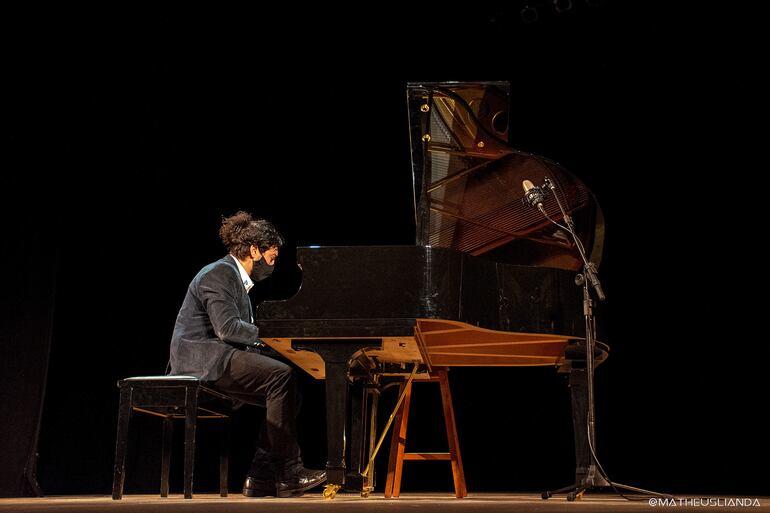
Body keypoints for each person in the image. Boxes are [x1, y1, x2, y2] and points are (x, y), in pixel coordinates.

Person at [168, 211, 326, 498]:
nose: (273, 265)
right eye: (272, 258)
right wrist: (269, 336)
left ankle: (261, 477)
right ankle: (288, 472)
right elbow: (227, 328)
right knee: (280, 376)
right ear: (254, 250)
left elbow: (239, 335)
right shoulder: (219, 273)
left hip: (218, 355)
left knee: (290, 388)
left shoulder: (234, 279)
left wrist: (275, 346)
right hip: (202, 360)